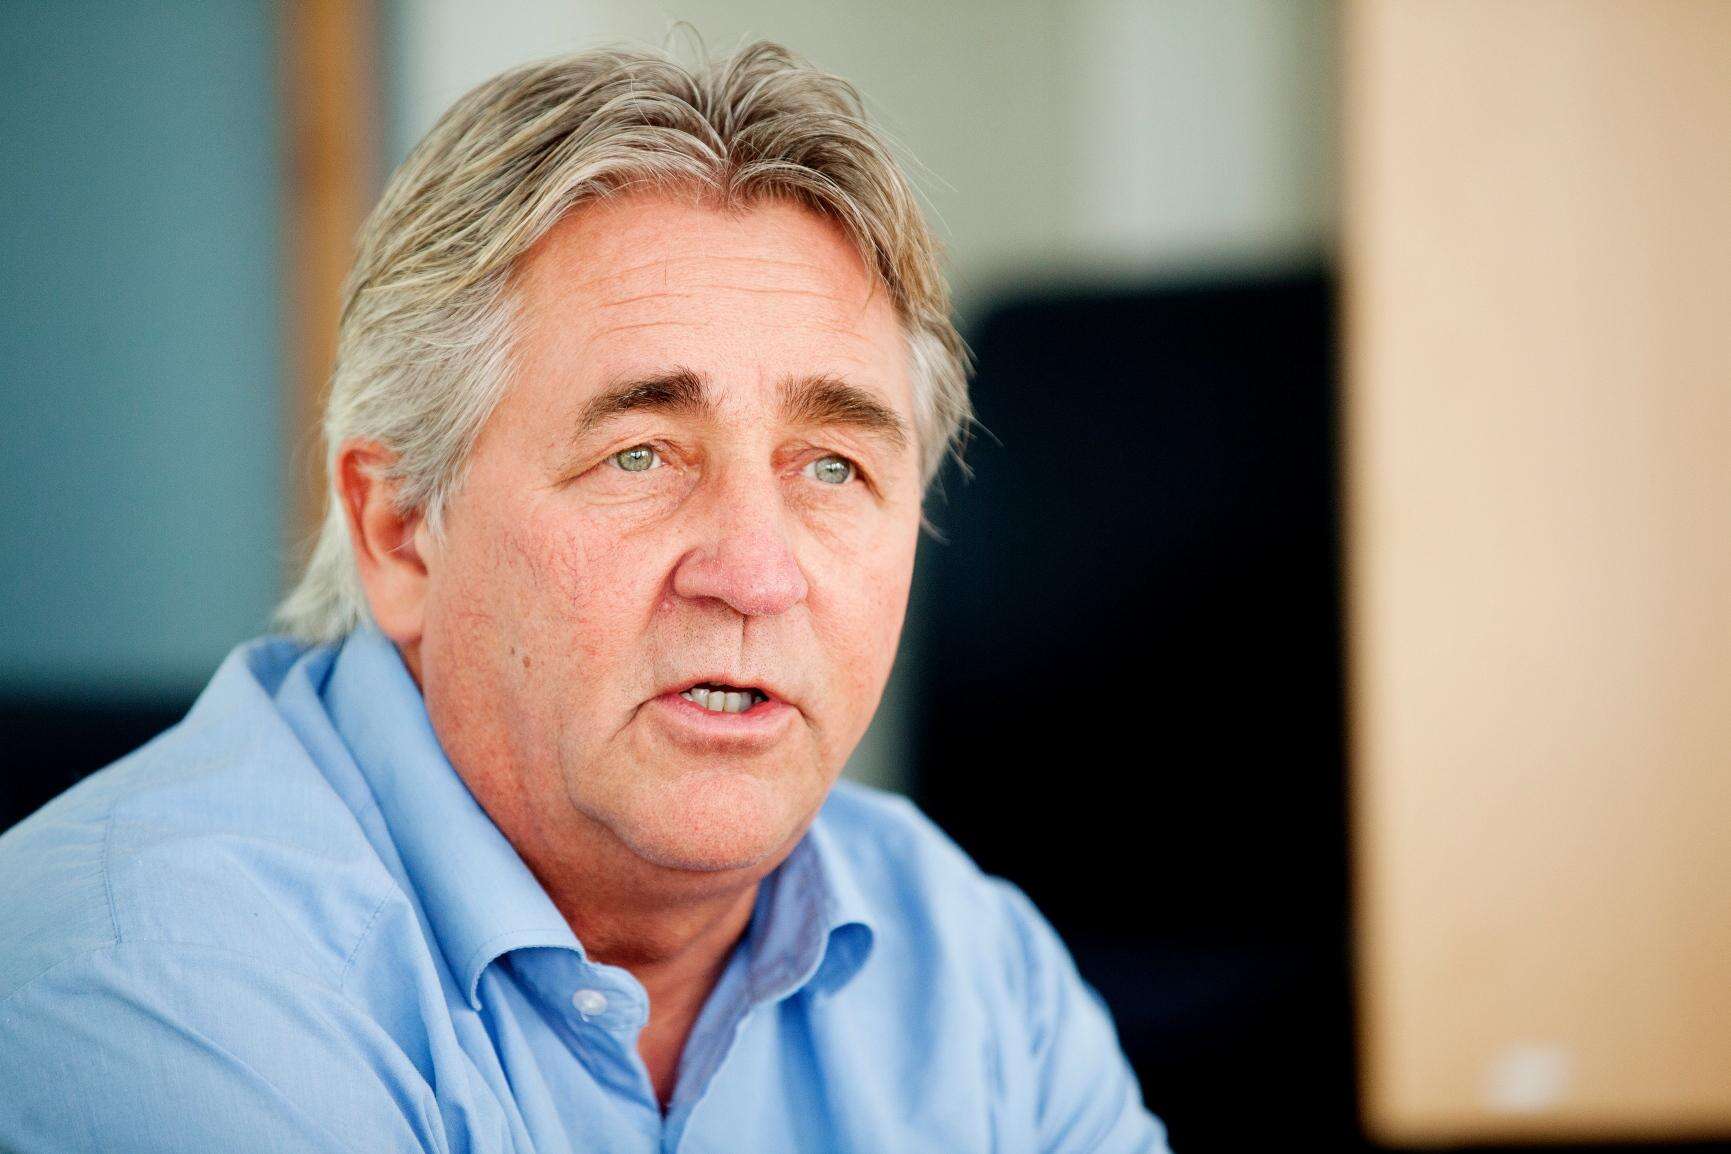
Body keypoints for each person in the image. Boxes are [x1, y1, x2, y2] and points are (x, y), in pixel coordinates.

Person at [0, 40, 1169, 1153]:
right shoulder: (150, 983)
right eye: (639, 456)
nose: (756, 575)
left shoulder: (976, 975)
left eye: (832, 467)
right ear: (399, 529)